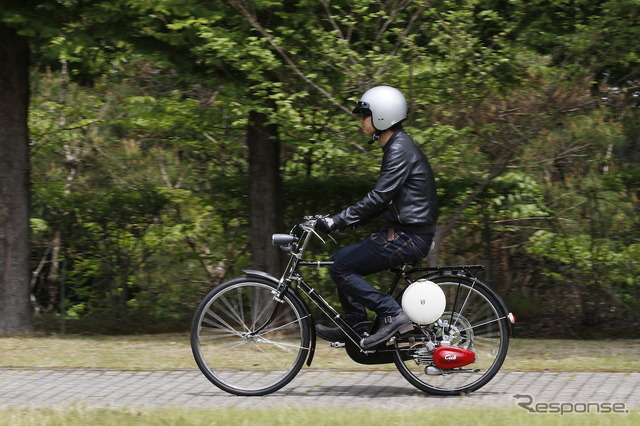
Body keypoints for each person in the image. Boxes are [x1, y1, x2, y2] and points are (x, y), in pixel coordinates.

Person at [314, 85, 438, 349]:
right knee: (340, 259)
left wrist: (336, 221)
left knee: (341, 268)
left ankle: (392, 313)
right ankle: (355, 324)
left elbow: (379, 197)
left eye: (364, 115)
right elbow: (386, 201)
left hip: (410, 236)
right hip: (406, 232)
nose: (361, 121)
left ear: (382, 116)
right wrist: (346, 222)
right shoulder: (397, 146)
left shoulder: (399, 150)